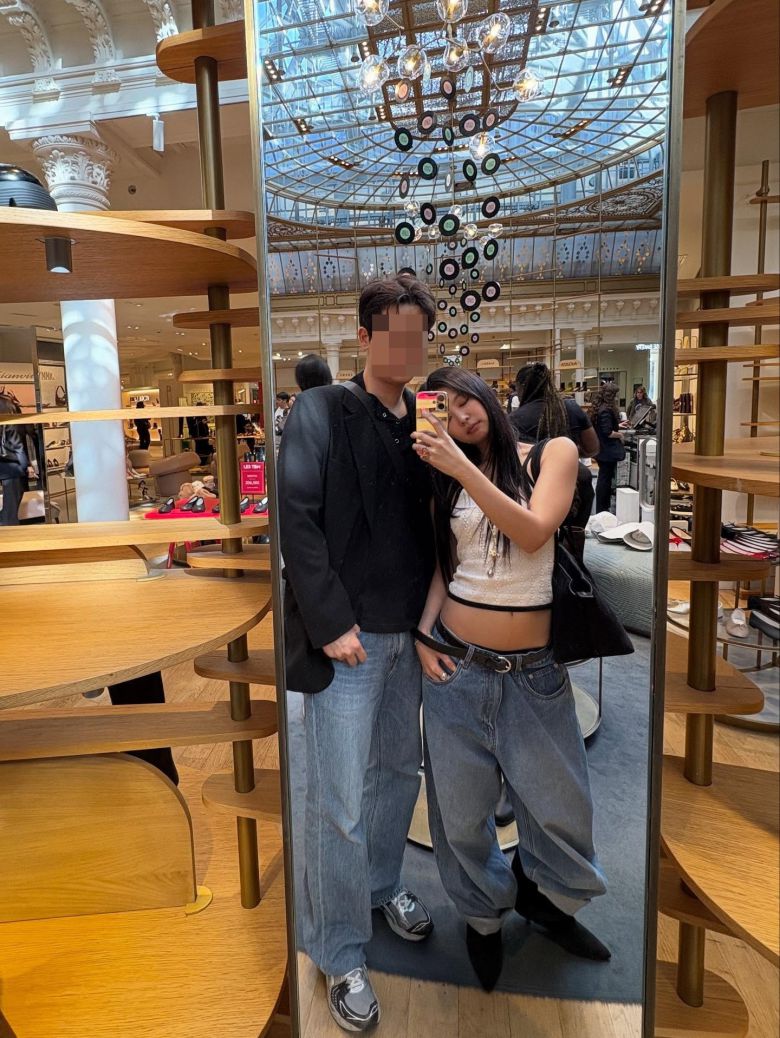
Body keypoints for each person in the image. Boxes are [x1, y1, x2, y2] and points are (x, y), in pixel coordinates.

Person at [410, 366, 609, 993]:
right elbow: (447, 564)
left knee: (562, 811)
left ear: (488, 395)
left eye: (466, 399)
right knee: (461, 816)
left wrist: (460, 467)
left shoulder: (553, 453)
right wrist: (422, 633)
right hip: (456, 669)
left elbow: (531, 532)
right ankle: (482, 919)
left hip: (534, 676)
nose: (461, 415)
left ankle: (545, 901)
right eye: (445, 408)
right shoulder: (446, 478)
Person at [278, 274, 437, 1033]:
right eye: (396, 334)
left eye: (420, 337)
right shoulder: (322, 410)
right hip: (349, 639)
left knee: (397, 775)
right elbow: (296, 517)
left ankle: (378, 885)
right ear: (366, 336)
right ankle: (337, 948)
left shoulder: (425, 420)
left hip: (410, 634)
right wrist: (331, 622)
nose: (409, 349)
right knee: (336, 800)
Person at [510, 362, 599, 543]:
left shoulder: (514, 419)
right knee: (571, 549)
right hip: (577, 492)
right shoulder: (571, 408)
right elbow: (592, 448)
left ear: (521, 387)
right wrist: (568, 454)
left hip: (532, 493)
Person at [593, 383, 626, 513]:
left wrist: (618, 425)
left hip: (601, 449)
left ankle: (602, 508)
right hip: (607, 450)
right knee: (605, 479)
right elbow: (608, 432)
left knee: (604, 477)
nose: (617, 398)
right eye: (615, 395)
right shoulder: (606, 410)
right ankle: (602, 509)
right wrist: (620, 435)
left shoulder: (600, 408)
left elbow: (603, 427)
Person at [0, 391, 29, 526]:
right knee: (10, 513)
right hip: (10, 463)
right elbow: (15, 438)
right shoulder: (7, 405)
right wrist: (24, 464)